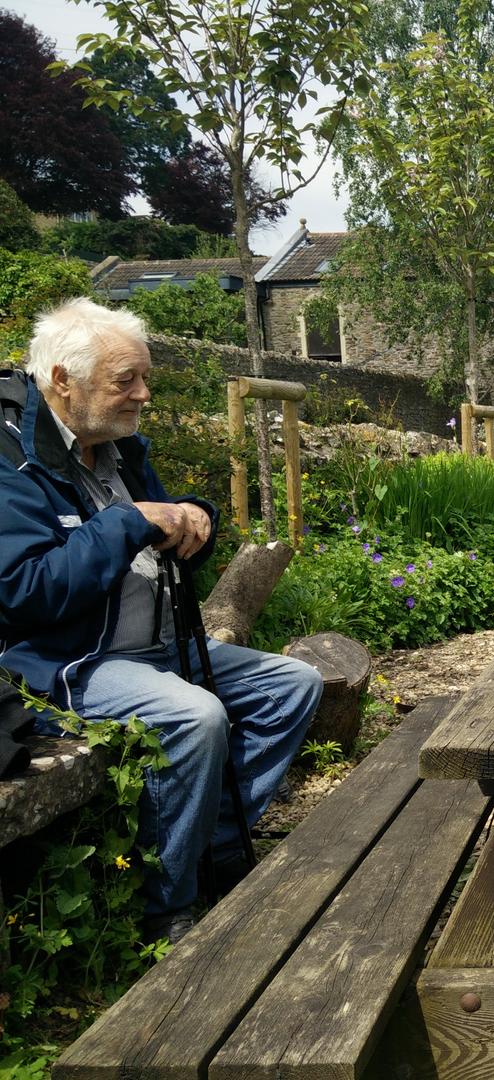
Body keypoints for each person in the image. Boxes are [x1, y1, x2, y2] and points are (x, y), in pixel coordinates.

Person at [0, 299, 323, 944]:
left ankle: (214, 853)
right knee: (195, 717)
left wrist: (192, 518)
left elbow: (157, 514)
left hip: (154, 648)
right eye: (127, 379)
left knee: (294, 686)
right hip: (67, 663)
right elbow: (22, 591)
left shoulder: (115, 449)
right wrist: (131, 522)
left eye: (144, 377)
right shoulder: (13, 463)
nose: (143, 394)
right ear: (63, 379)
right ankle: (168, 912)